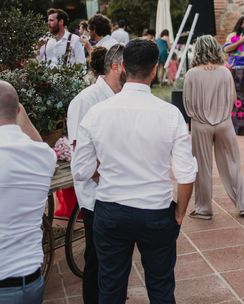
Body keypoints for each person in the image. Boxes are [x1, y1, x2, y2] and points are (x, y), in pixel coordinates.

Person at [71, 39, 197, 303]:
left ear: (124, 67)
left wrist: (107, 172)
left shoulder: (96, 113)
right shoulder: (170, 114)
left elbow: (81, 170)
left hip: (111, 210)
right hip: (156, 210)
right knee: (161, 288)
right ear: (155, 70)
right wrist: (180, 214)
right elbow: (186, 174)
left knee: (111, 289)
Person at [67, 44, 125, 304]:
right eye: (129, 65)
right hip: (97, 198)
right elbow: (83, 158)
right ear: (116, 66)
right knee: (97, 262)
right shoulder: (85, 101)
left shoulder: (124, 97)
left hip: (122, 194)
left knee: (118, 261)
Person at [182, 35, 244, 219]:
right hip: (224, 123)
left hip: (200, 124)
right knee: (232, 163)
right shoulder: (225, 72)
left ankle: (204, 209)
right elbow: (233, 99)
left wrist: (200, 114)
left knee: (202, 167)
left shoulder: (191, 74)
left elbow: (187, 102)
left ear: (198, 49)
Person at [0, 81, 57, 304]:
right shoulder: (44, 156)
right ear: (18, 111)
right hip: (33, 281)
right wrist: (18, 110)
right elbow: (38, 142)